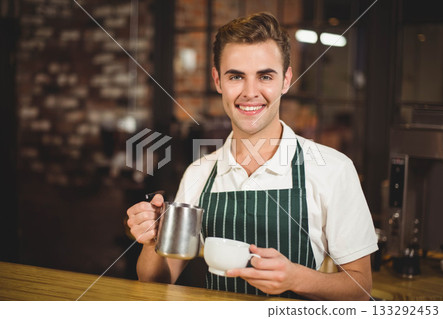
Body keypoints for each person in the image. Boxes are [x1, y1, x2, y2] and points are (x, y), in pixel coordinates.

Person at [126, 12, 378, 300]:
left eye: (265, 76)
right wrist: (151, 240)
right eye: (236, 76)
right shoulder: (200, 172)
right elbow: (157, 280)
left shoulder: (333, 169)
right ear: (218, 80)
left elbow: (361, 288)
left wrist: (297, 278)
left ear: (286, 80)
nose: (250, 92)